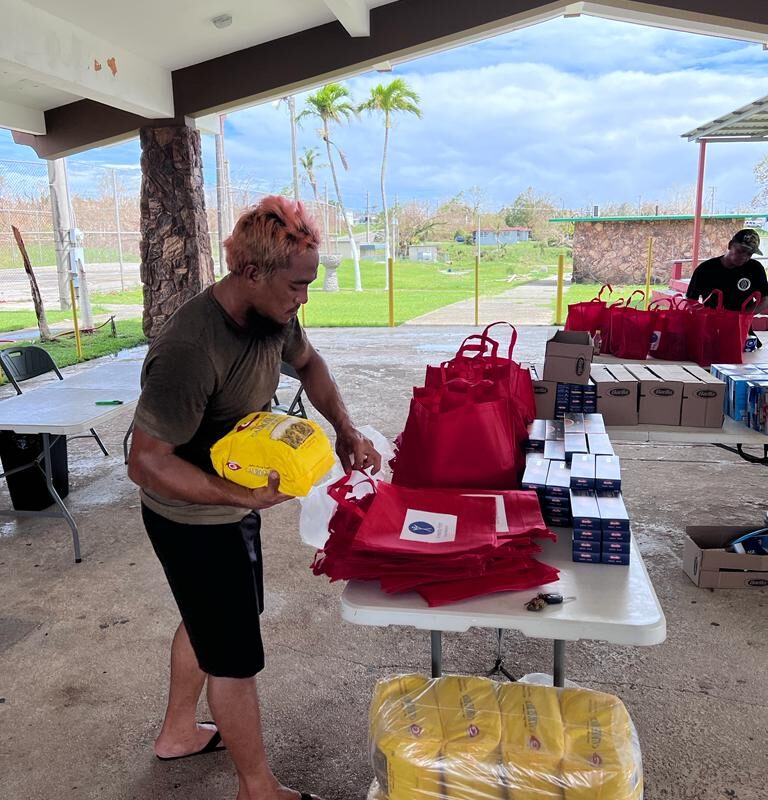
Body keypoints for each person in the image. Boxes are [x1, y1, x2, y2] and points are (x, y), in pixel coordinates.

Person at [127, 195, 381, 800]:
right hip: (191, 517)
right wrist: (233, 494)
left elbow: (310, 363)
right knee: (234, 658)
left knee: (209, 623)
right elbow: (145, 461)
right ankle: (257, 789)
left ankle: (179, 732)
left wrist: (346, 430)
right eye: (298, 285)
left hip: (232, 503)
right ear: (251, 273)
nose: (304, 298)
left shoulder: (275, 314)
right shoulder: (191, 348)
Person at [686, 228, 768, 313]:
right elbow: (691, 300)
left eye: (749, 254)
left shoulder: (755, 269)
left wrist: (743, 316)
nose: (744, 257)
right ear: (730, 245)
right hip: (711, 323)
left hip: (740, 325)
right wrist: (703, 314)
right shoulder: (705, 269)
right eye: (741, 251)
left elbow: (765, 299)